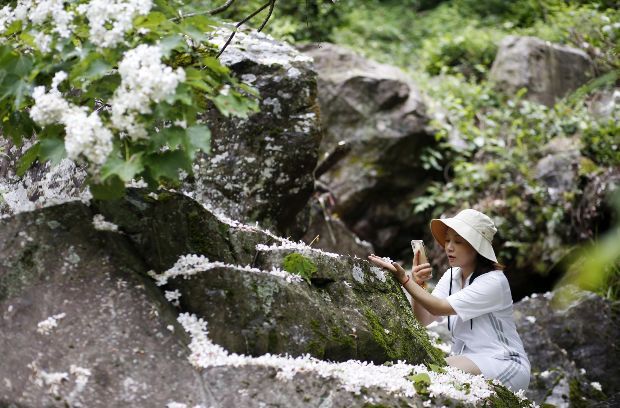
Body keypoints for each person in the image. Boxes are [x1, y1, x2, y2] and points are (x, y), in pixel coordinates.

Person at [368, 208, 530, 392]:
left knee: (433, 373)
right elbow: (424, 319)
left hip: (505, 362)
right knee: (428, 374)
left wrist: (405, 280)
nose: (449, 247)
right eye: (447, 240)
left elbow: (438, 307)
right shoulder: (452, 275)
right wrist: (418, 283)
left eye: (458, 242)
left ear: (476, 248)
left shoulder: (494, 282)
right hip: (468, 358)